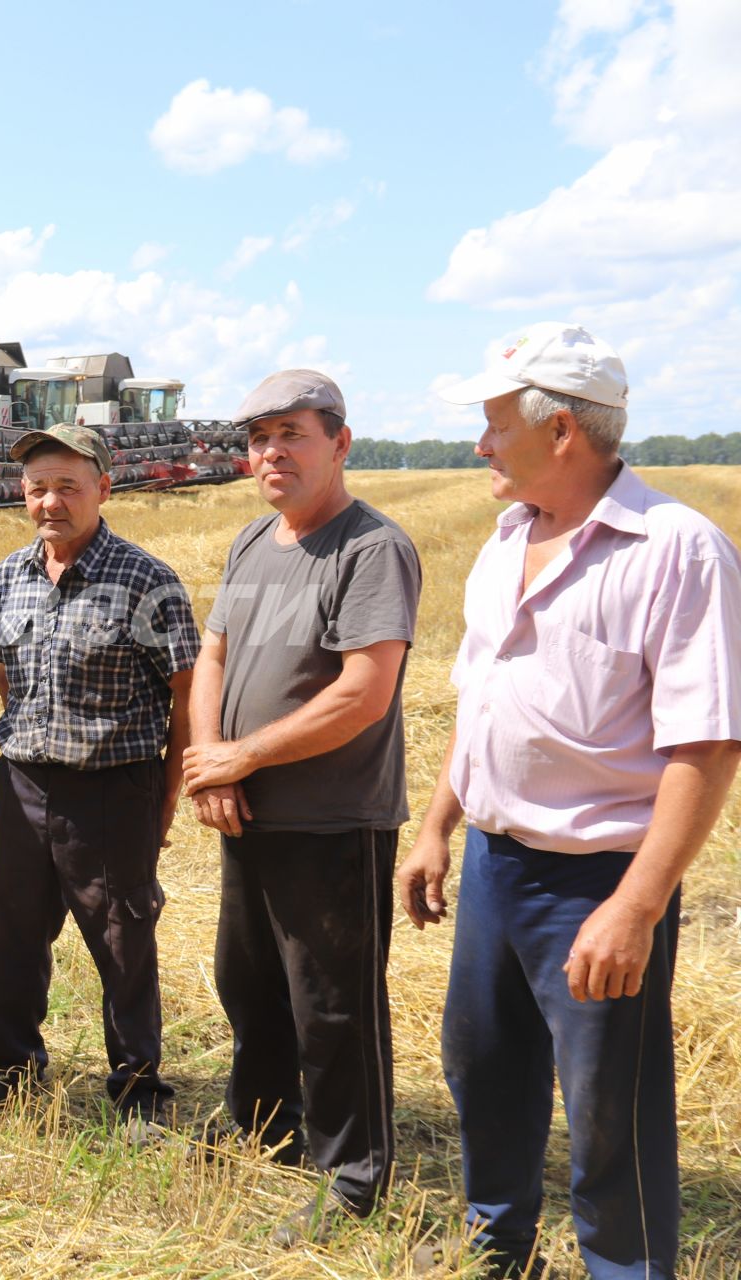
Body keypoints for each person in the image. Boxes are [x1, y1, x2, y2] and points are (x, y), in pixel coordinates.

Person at [398, 323, 741, 1280]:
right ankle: (496, 1254)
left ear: (561, 433)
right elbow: (482, 703)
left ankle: (626, 1271)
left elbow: (706, 747)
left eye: (493, 421)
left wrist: (635, 905)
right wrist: (436, 829)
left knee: (609, 1113)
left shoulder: (677, 550)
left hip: (599, 881)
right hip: (495, 870)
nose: (479, 444)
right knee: (483, 1075)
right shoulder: (505, 544)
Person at [181, 369, 420, 1242]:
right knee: (252, 986)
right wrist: (214, 768)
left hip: (333, 819)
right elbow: (214, 657)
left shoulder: (369, 549)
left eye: (292, 433)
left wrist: (239, 756)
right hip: (247, 813)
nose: (271, 452)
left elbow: (364, 692)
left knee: (334, 1004)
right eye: (258, 438)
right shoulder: (255, 542)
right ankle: (266, 1129)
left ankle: (352, 1176)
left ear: (340, 443)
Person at [0, 424, 198, 1127]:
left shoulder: (146, 581)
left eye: (68, 486)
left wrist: (164, 797)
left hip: (111, 789)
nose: (50, 502)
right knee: (8, 935)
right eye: (37, 488)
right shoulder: (5, 578)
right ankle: (13, 1074)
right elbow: (7, 677)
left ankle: (138, 1093)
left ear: (103, 487)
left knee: (123, 940)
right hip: (24, 784)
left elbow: (187, 693)